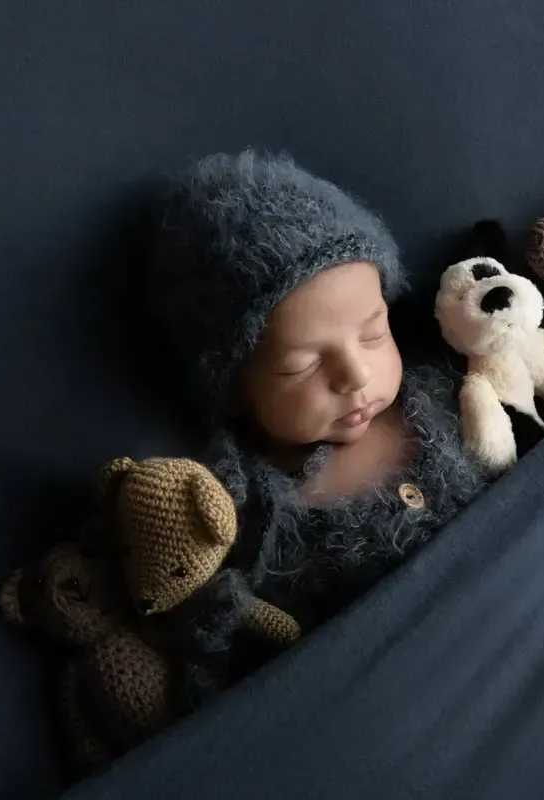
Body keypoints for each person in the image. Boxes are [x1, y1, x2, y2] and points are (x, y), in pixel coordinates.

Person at [148, 150, 486, 705]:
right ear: (234, 388)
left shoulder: (449, 392)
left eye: (374, 333)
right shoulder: (245, 518)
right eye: (301, 365)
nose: (355, 375)